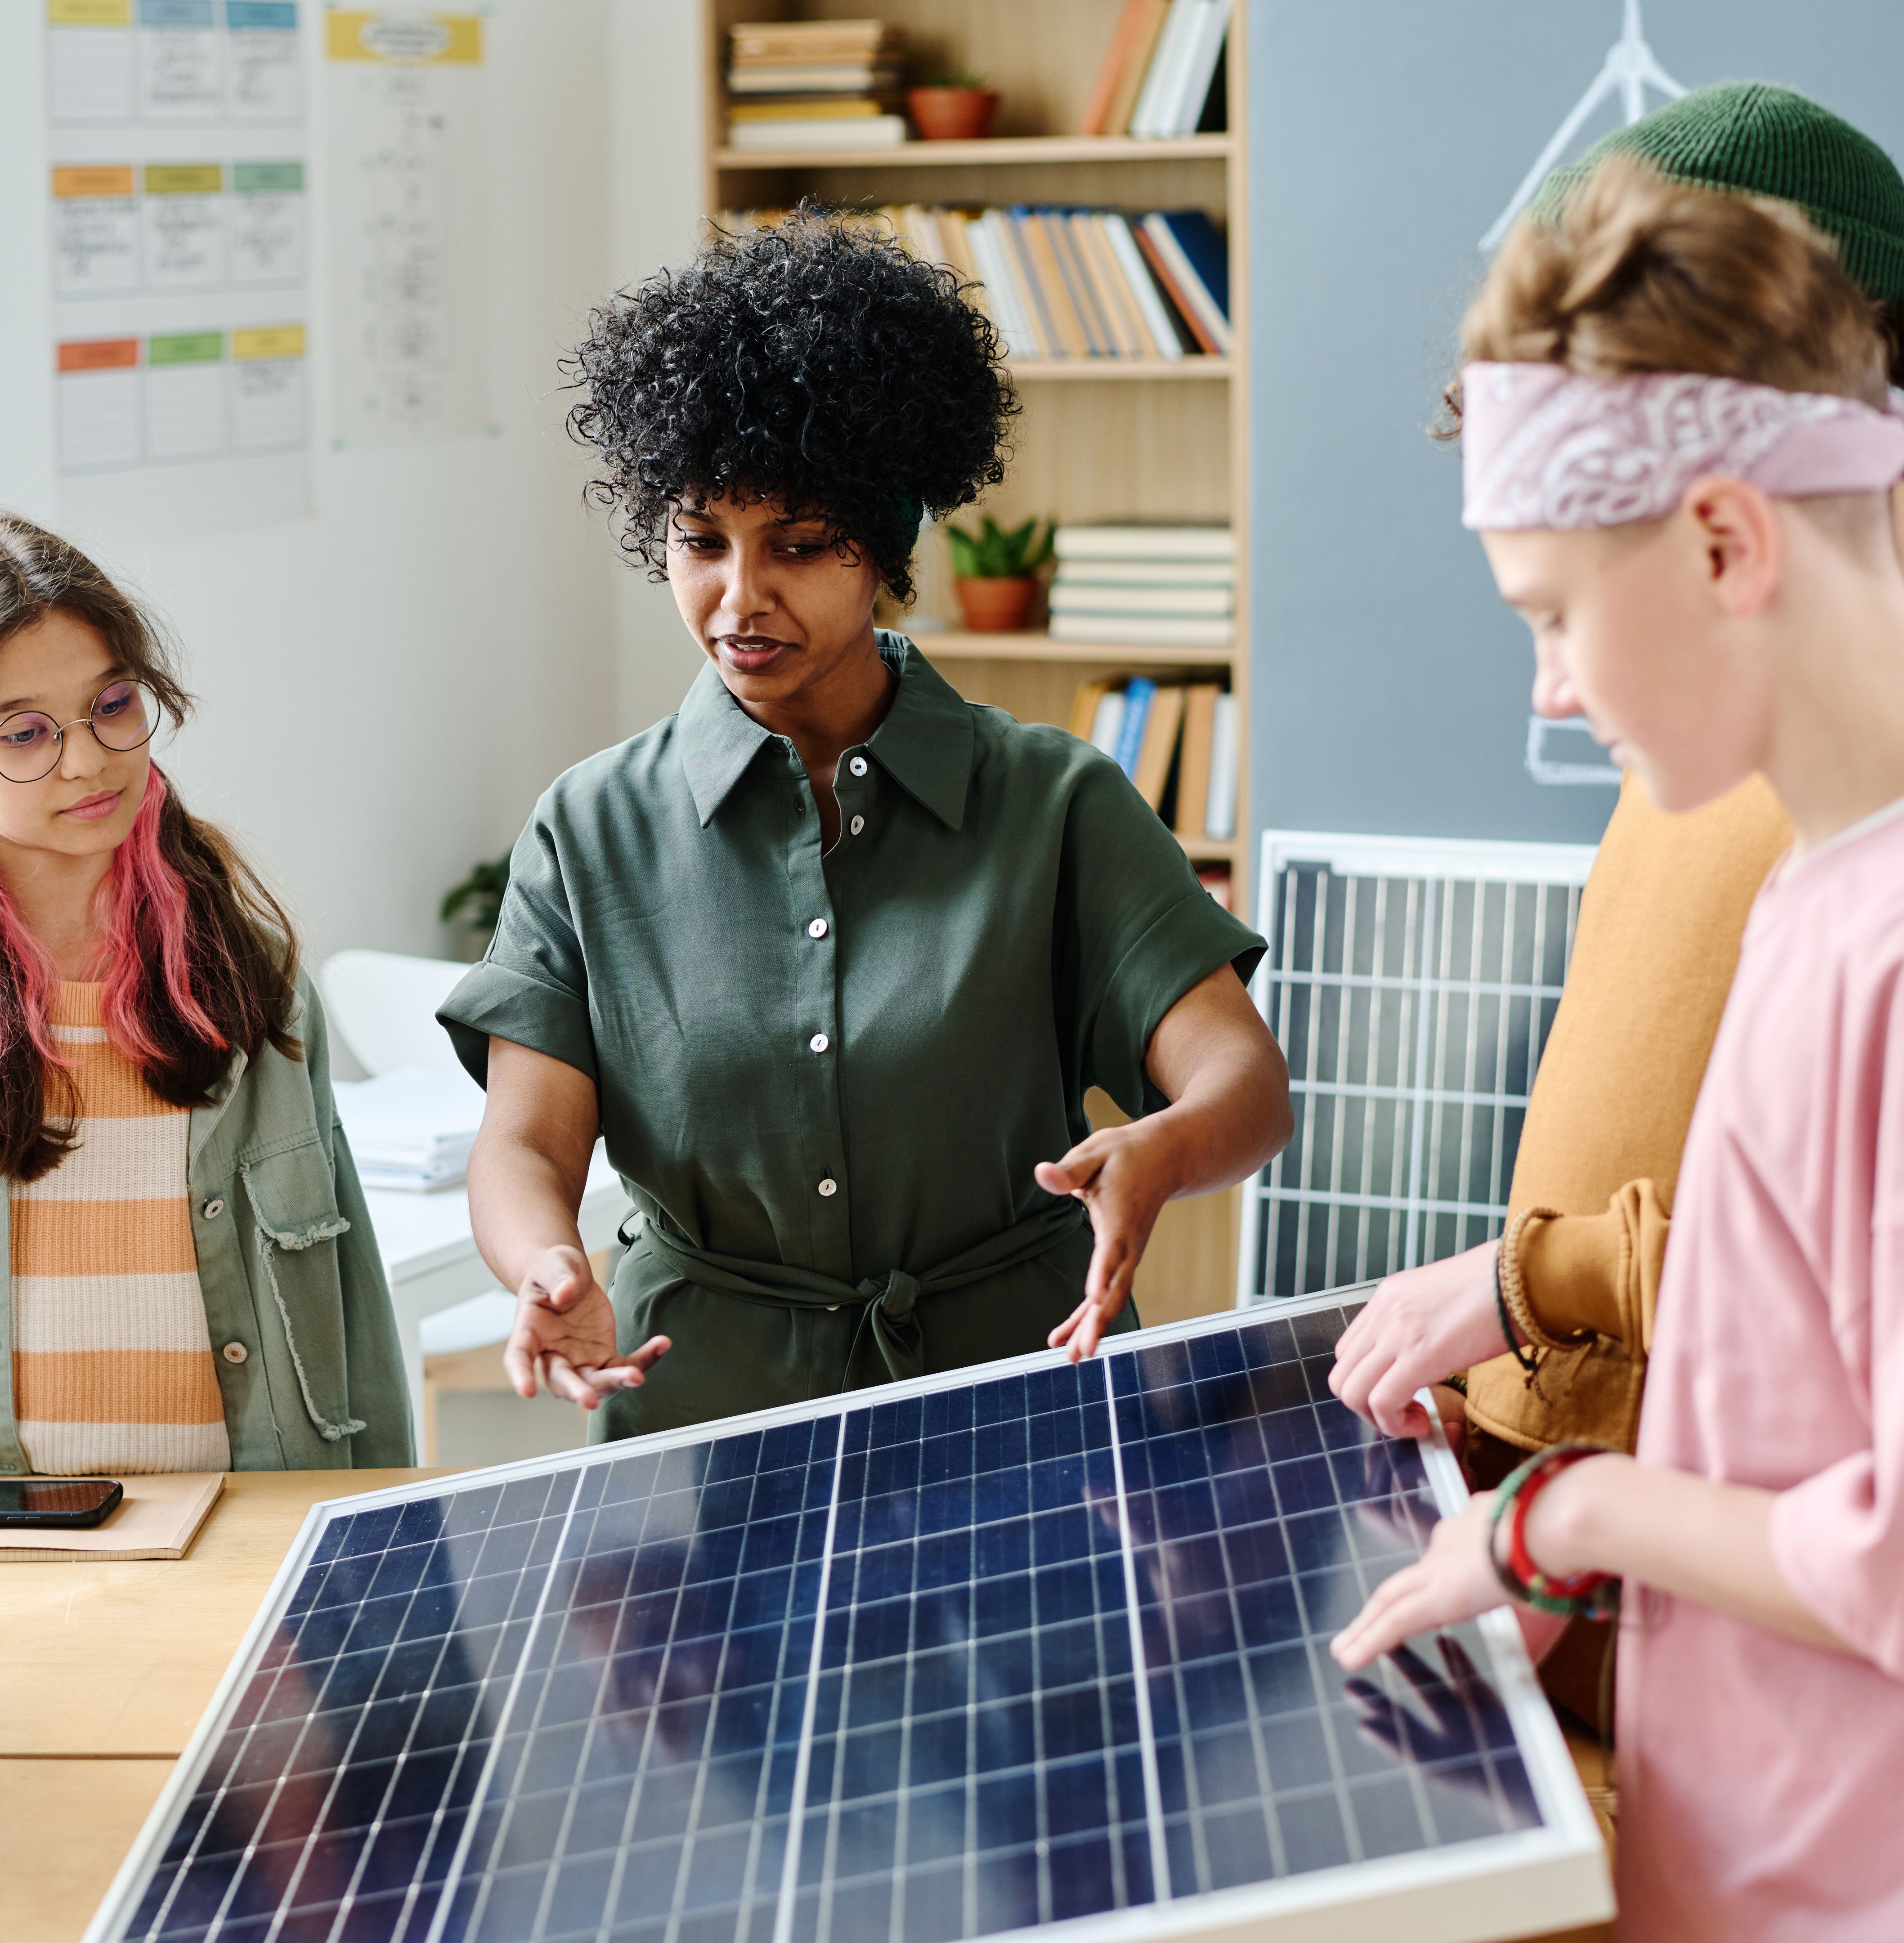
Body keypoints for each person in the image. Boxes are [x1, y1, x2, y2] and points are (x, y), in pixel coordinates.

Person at [1328, 159, 1904, 1941]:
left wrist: (1573, 1516)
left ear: (1724, 543)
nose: (1549, 691)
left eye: (1555, 616)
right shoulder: (1817, 890)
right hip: (1747, 1850)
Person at [444, 213, 1292, 1439]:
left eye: (798, 545)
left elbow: (1242, 1081)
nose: (739, 596)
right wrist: (543, 1262)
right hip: (705, 1420)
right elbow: (525, 1144)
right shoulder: (590, 830)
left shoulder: (1054, 802)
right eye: (700, 543)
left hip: (1020, 1398)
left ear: (883, 549)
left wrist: (1169, 1147)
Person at [0, 510, 409, 1552]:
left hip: (242, 1535)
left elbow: (351, 1308)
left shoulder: (248, 977)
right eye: (25, 732)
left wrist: (385, 1555)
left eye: (112, 706)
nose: (88, 762)